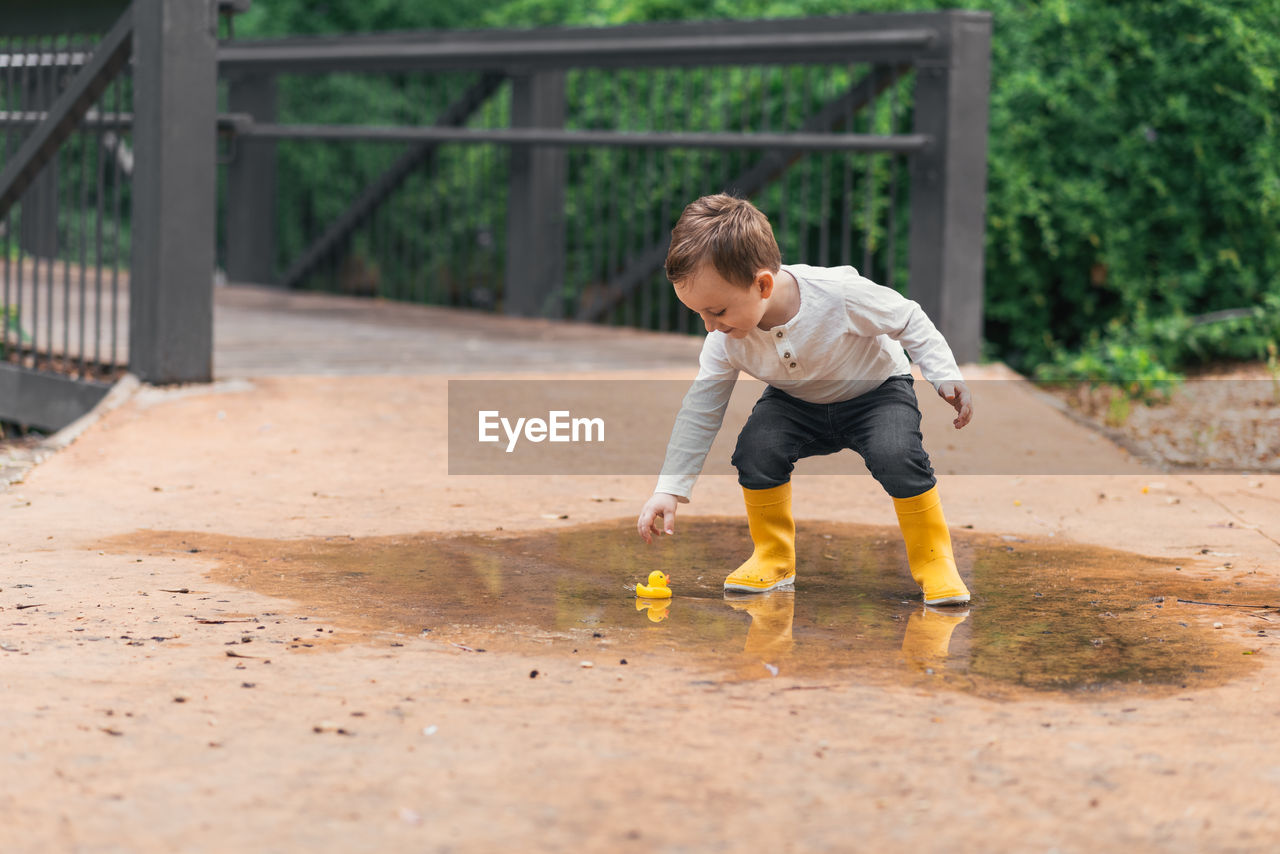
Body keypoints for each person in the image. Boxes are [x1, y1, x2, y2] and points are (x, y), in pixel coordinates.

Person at [636, 193, 973, 606]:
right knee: (757, 449)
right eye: (699, 315)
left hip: (876, 393)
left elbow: (908, 318)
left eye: (718, 310)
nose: (710, 326)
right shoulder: (723, 340)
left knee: (897, 453)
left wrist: (944, 376)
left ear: (762, 284)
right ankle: (773, 558)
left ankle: (935, 562)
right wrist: (669, 488)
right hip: (794, 402)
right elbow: (701, 409)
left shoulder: (838, 293)